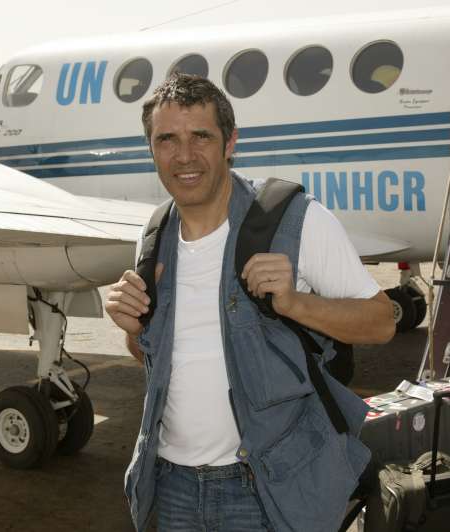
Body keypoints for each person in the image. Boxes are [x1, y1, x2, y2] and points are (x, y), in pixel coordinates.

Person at [106, 73, 394, 532]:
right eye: (167, 140)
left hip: (266, 488)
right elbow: (150, 357)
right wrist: (134, 330)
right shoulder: (153, 236)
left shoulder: (297, 219)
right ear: (152, 148)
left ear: (230, 142)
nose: (185, 155)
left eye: (201, 136)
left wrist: (296, 303)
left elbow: (381, 322)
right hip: (171, 485)